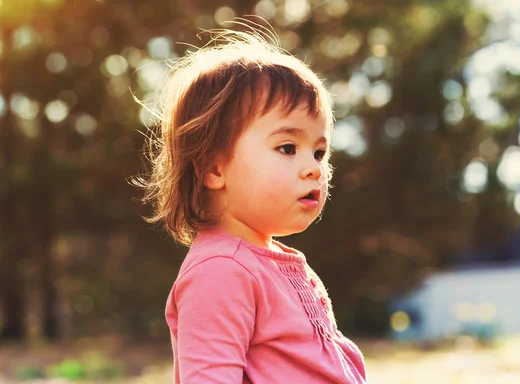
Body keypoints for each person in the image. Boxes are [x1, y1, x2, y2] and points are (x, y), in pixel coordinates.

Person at [138, 27, 367, 383]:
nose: (313, 168)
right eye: (288, 148)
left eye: (320, 153)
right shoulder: (221, 272)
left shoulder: (275, 265)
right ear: (214, 168)